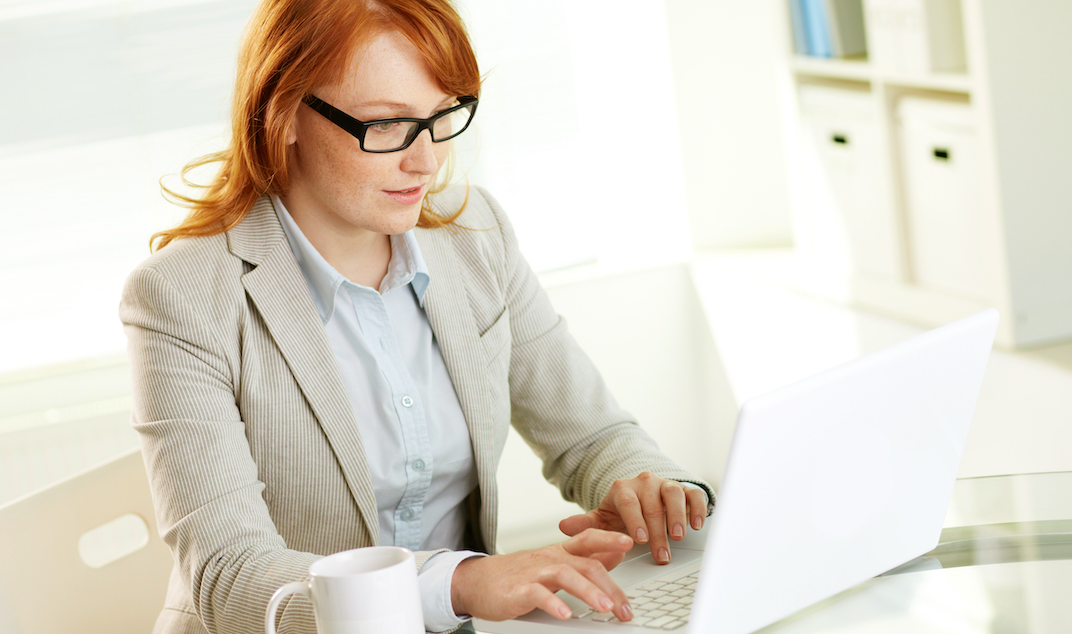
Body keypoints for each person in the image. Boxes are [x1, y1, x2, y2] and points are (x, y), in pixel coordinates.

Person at [120, 0, 716, 632]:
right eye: (386, 126)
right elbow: (229, 575)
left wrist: (658, 494)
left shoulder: (475, 233)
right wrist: (458, 581)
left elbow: (591, 437)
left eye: (440, 118)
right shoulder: (181, 295)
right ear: (283, 114)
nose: (426, 161)